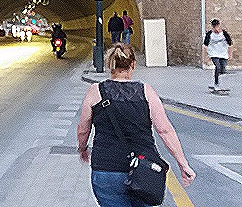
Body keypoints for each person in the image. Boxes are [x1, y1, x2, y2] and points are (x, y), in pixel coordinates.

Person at [77, 43, 195, 206]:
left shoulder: (95, 91)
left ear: (109, 65)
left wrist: (82, 149)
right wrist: (183, 164)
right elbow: (164, 130)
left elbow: (83, 129)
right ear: (133, 64)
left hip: (106, 169)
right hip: (144, 169)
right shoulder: (146, 91)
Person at [203, 19, 233, 89]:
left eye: (216, 26)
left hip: (223, 53)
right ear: (212, 27)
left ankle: (216, 76)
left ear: (219, 26)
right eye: (214, 27)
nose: (215, 28)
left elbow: (230, 44)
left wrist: (230, 54)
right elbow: (205, 46)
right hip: (213, 53)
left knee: (222, 69)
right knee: (218, 66)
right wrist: (205, 58)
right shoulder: (209, 34)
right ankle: (216, 83)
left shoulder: (224, 34)